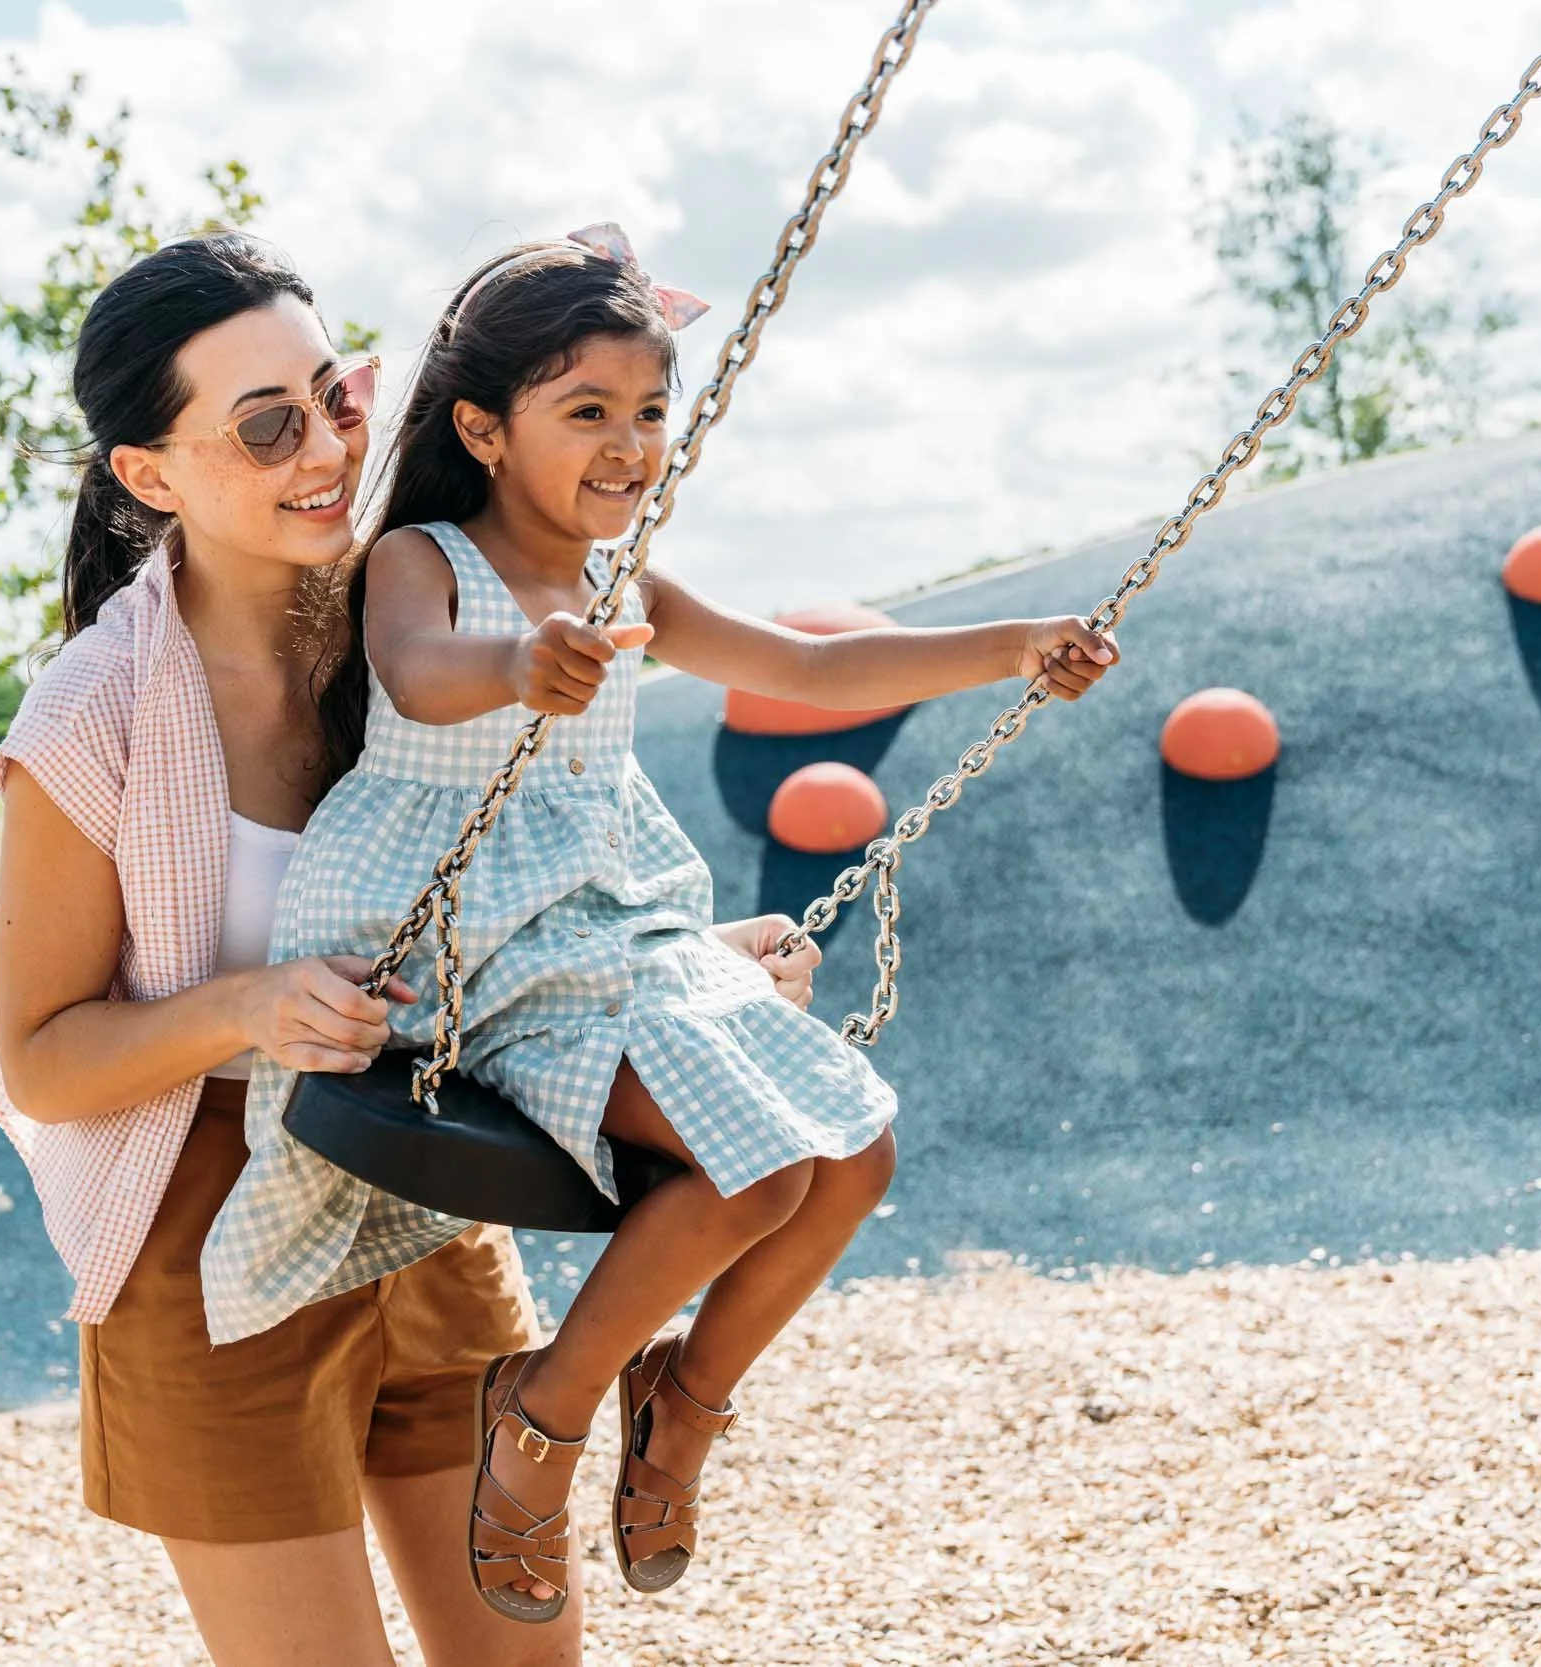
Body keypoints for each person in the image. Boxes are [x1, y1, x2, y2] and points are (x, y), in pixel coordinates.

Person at [204, 224, 1121, 1624]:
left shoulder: (629, 584)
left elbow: (815, 664)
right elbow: (420, 673)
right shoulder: (425, 560)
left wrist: (1007, 644)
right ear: (482, 429)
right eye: (588, 412)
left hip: (610, 934)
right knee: (753, 1169)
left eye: (650, 412)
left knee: (855, 1150)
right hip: (468, 940)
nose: (630, 444)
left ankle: (682, 1402)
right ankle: (543, 1418)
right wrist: (525, 659)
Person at [0, 229, 824, 1666]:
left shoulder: (421, 608)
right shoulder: (90, 723)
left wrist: (687, 956)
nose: (324, 448)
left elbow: (554, 872)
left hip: (419, 1191)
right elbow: (47, 1061)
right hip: (207, 1248)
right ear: (148, 473)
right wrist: (245, 1006)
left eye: (338, 394)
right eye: (266, 425)